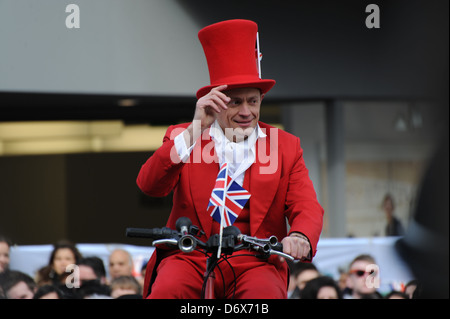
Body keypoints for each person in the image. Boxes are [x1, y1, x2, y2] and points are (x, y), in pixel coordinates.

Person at [137, 19, 324, 299]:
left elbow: (305, 204)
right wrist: (195, 129)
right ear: (215, 101)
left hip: (255, 260)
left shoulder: (286, 146)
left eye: (253, 100)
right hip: (191, 256)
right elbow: (150, 185)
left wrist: (299, 236)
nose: (247, 111)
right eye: (235, 102)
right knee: (167, 291)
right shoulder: (183, 136)